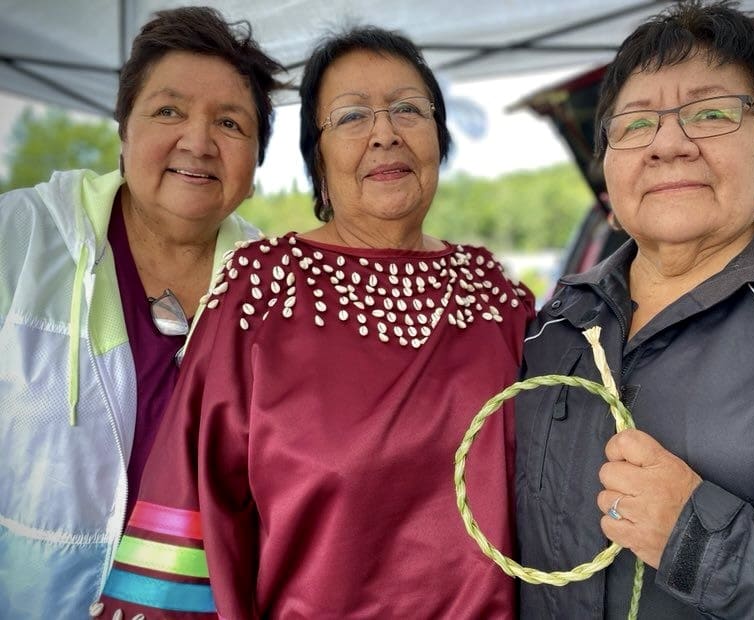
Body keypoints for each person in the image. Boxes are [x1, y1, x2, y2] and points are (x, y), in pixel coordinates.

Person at [94, 25, 535, 619]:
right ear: (317, 158)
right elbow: (192, 503)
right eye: (352, 117)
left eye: (408, 109)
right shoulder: (260, 293)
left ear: (438, 137)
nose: (385, 133)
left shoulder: (499, 299)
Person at [515, 1, 754, 618]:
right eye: (634, 124)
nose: (667, 144)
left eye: (711, 114)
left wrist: (702, 542)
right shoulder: (555, 327)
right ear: (608, 168)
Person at [0, 7, 285, 618]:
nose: (198, 141)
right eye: (168, 111)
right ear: (123, 132)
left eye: (230, 123)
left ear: (256, 163)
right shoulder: (19, 239)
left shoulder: (277, 294)